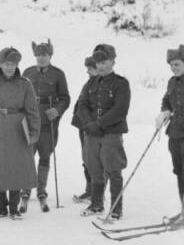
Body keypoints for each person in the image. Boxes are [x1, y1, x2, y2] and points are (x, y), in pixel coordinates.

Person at [0, 47, 41, 220]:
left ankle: (14, 207)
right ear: (1, 64)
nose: (10, 67)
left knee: (16, 168)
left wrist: (34, 132)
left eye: (13, 64)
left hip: (18, 129)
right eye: (6, 64)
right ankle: (0, 206)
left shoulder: (25, 84)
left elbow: (33, 110)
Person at [75, 44, 130, 220]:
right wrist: (89, 123)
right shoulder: (91, 82)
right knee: (94, 168)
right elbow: (82, 105)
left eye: (104, 62)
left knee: (113, 169)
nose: (100, 66)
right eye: (98, 62)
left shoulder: (121, 83)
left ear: (113, 61)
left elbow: (120, 109)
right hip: (92, 133)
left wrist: (99, 123)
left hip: (111, 133)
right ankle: (97, 204)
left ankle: (116, 208)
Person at [20, 40, 70, 212]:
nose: (41, 58)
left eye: (44, 55)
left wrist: (57, 110)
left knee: (45, 155)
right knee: (27, 155)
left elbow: (65, 98)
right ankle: (25, 188)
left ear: (50, 55)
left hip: (48, 121)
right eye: (38, 55)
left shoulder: (58, 74)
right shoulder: (27, 72)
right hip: (30, 119)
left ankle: (41, 189)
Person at [156, 44, 184, 218]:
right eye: (171, 65)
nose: (173, 68)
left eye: (177, 64)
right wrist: (165, 111)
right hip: (174, 133)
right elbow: (166, 100)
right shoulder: (172, 82)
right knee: (179, 172)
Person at [71, 56, 99, 203]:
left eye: (90, 69)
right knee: (86, 158)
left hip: (93, 127)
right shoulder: (90, 82)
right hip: (83, 126)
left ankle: (95, 192)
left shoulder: (101, 84)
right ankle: (89, 190)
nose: (87, 71)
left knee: (94, 159)